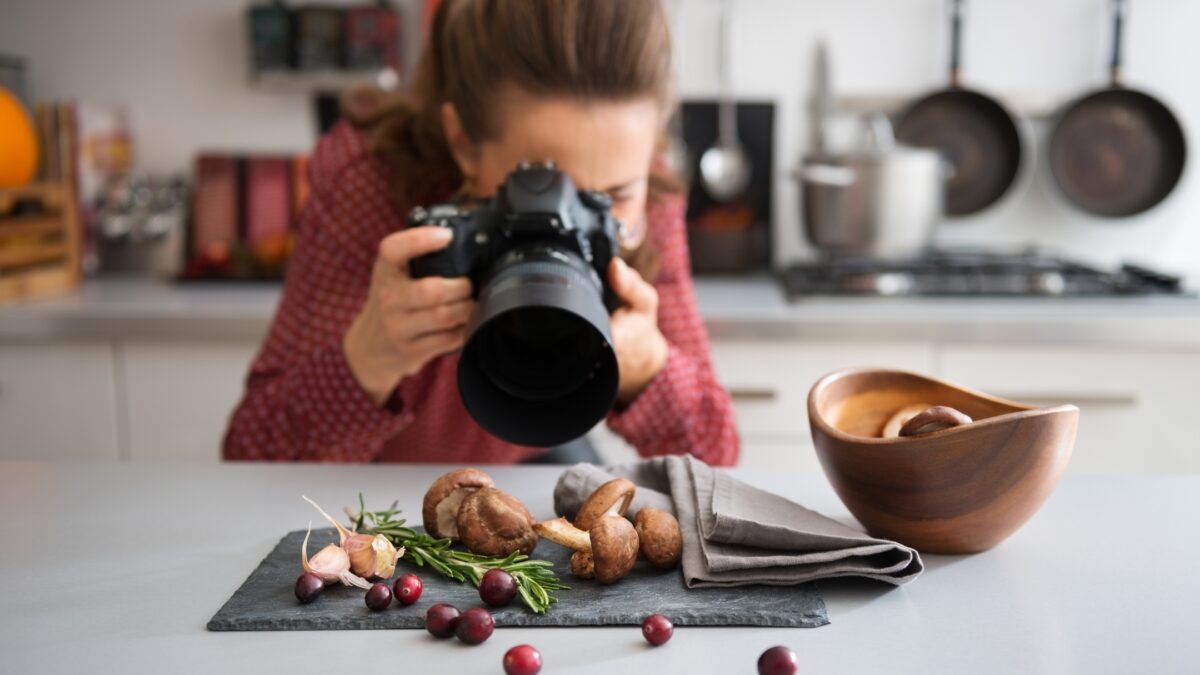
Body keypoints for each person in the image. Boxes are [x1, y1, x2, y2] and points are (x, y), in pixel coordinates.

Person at [222, 0, 739, 465]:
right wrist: (367, 358)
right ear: (462, 143)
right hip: (373, 477)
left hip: (532, 453)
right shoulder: (371, 182)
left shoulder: (650, 200)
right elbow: (252, 454)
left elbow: (718, 452)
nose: (567, 222)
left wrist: (649, 368)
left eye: (612, 196)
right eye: (536, 187)